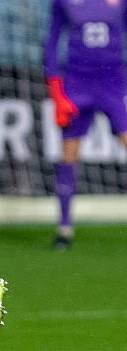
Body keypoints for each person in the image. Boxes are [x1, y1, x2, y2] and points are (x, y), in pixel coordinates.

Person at [44, 0, 127, 249]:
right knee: (69, 155)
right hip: (77, 84)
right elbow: (51, 41)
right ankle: (65, 228)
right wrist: (56, 90)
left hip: (113, 82)